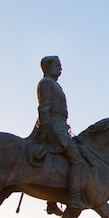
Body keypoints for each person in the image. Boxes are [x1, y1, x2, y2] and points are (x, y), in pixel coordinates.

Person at [35, 55, 89, 209]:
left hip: (60, 125)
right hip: (53, 126)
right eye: (58, 65)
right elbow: (44, 108)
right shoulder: (46, 83)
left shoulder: (53, 84)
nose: (61, 68)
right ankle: (74, 198)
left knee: (61, 160)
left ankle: (52, 201)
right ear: (48, 67)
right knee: (77, 160)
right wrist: (44, 132)